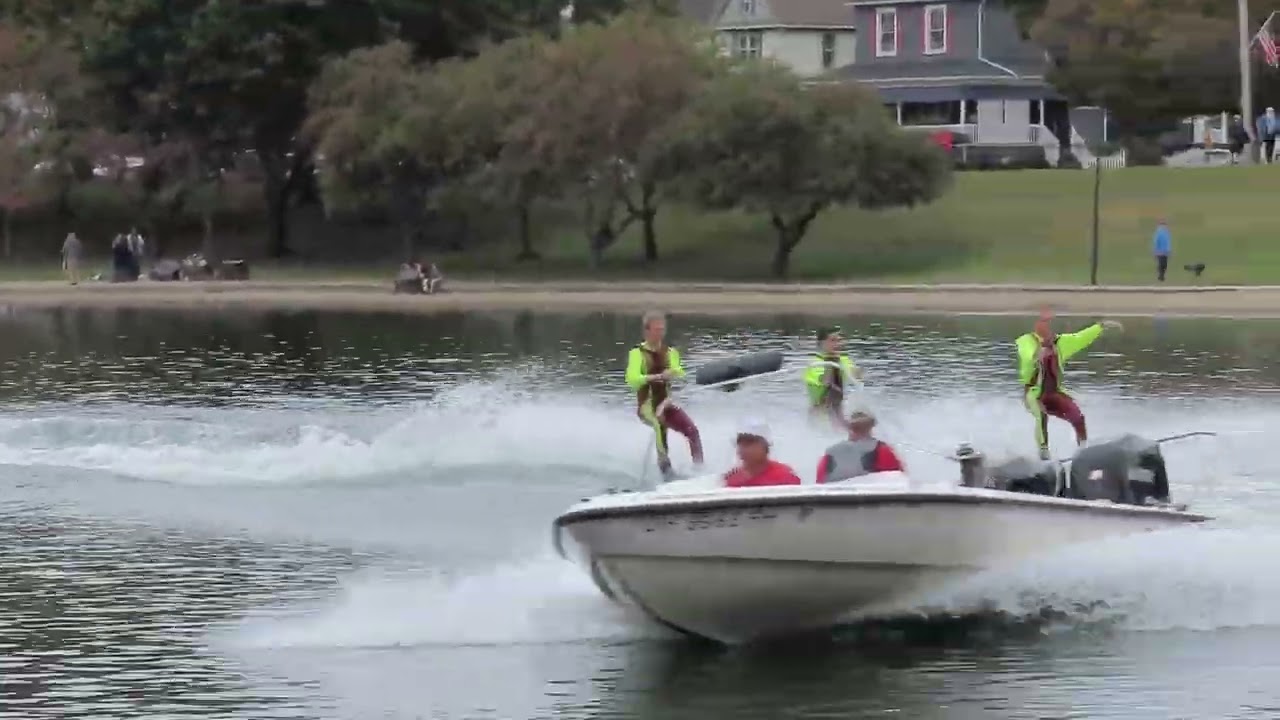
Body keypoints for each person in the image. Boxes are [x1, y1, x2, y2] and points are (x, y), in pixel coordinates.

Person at [1016, 309, 1122, 460]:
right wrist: (1035, 355)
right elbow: (1026, 353)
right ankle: (1043, 453)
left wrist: (1101, 326)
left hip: (1054, 394)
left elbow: (1080, 338)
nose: (1046, 327)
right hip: (1033, 395)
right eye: (1042, 322)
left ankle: (1084, 450)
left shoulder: (1059, 343)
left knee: (1077, 416)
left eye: (1048, 323)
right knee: (1041, 414)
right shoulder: (1027, 341)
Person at [625, 310, 704, 478]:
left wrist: (672, 372)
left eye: (662, 329)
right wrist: (655, 377)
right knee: (659, 425)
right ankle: (666, 470)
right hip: (646, 407)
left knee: (692, 430)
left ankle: (700, 469)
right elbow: (632, 379)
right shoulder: (637, 354)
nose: (660, 333)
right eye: (656, 330)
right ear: (647, 331)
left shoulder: (670, 352)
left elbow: (680, 371)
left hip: (666, 403)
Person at [815, 409, 904, 483]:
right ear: (871, 427)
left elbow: (819, 482)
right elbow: (898, 481)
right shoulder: (883, 451)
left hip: (833, 501)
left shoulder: (830, 454)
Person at [804, 326, 862, 427]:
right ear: (821, 343)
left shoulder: (844, 360)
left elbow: (858, 376)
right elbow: (825, 381)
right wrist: (831, 362)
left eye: (839, 341)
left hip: (838, 412)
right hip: (820, 414)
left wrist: (857, 372)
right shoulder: (814, 364)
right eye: (832, 340)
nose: (837, 344)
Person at [724, 419, 801, 487]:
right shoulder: (732, 478)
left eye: (749, 443)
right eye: (740, 443)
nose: (744, 448)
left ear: (765, 446)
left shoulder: (785, 475)